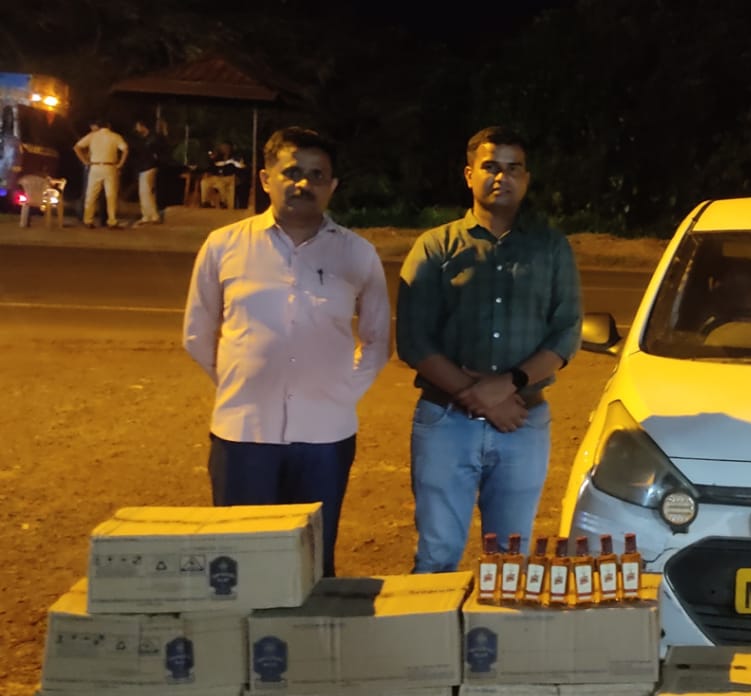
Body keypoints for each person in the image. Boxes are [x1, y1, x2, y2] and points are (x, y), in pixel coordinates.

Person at [182, 127, 391, 577]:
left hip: (325, 439)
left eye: (317, 175)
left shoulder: (358, 254)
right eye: (292, 172)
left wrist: (341, 393)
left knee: (311, 564)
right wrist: (241, 383)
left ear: (332, 186)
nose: (304, 184)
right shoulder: (224, 246)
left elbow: (377, 341)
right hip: (243, 435)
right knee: (239, 566)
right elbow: (197, 333)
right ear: (265, 178)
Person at [396, 126, 582, 573]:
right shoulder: (435, 247)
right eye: (491, 167)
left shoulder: (551, 248)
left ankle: (497, 625)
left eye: (514, 168)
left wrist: (507, 384)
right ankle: (432, 623)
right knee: (437, 556)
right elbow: (414, 340)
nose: (503, 177)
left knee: (510, 564)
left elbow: (565, 334)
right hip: (446, 422)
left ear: (526, 178)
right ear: (469, 175)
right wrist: (475, 395)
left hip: (522, 420)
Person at [73, 119, 128, 228]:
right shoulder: (115, 136)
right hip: (110, 166)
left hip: (95, 166)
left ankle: (88, 220)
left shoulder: (92, 136)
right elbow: (125, 149)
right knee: (111, 195)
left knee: (91, 195)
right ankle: (112, 221)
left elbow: (77, 147)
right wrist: (120, 164)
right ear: (109, 126)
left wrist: (85, 161)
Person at [129, 118, 168, 226]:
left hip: (149, 167)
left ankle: (153, 216)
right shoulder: (145, 138)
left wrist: (154, 158)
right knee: (144, 192)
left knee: (147, 191)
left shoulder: (152, 138)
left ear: (143, 126)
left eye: (138, 126)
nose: (136, 129)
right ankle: (147, 215)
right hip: (144, 167)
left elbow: (155, 151)